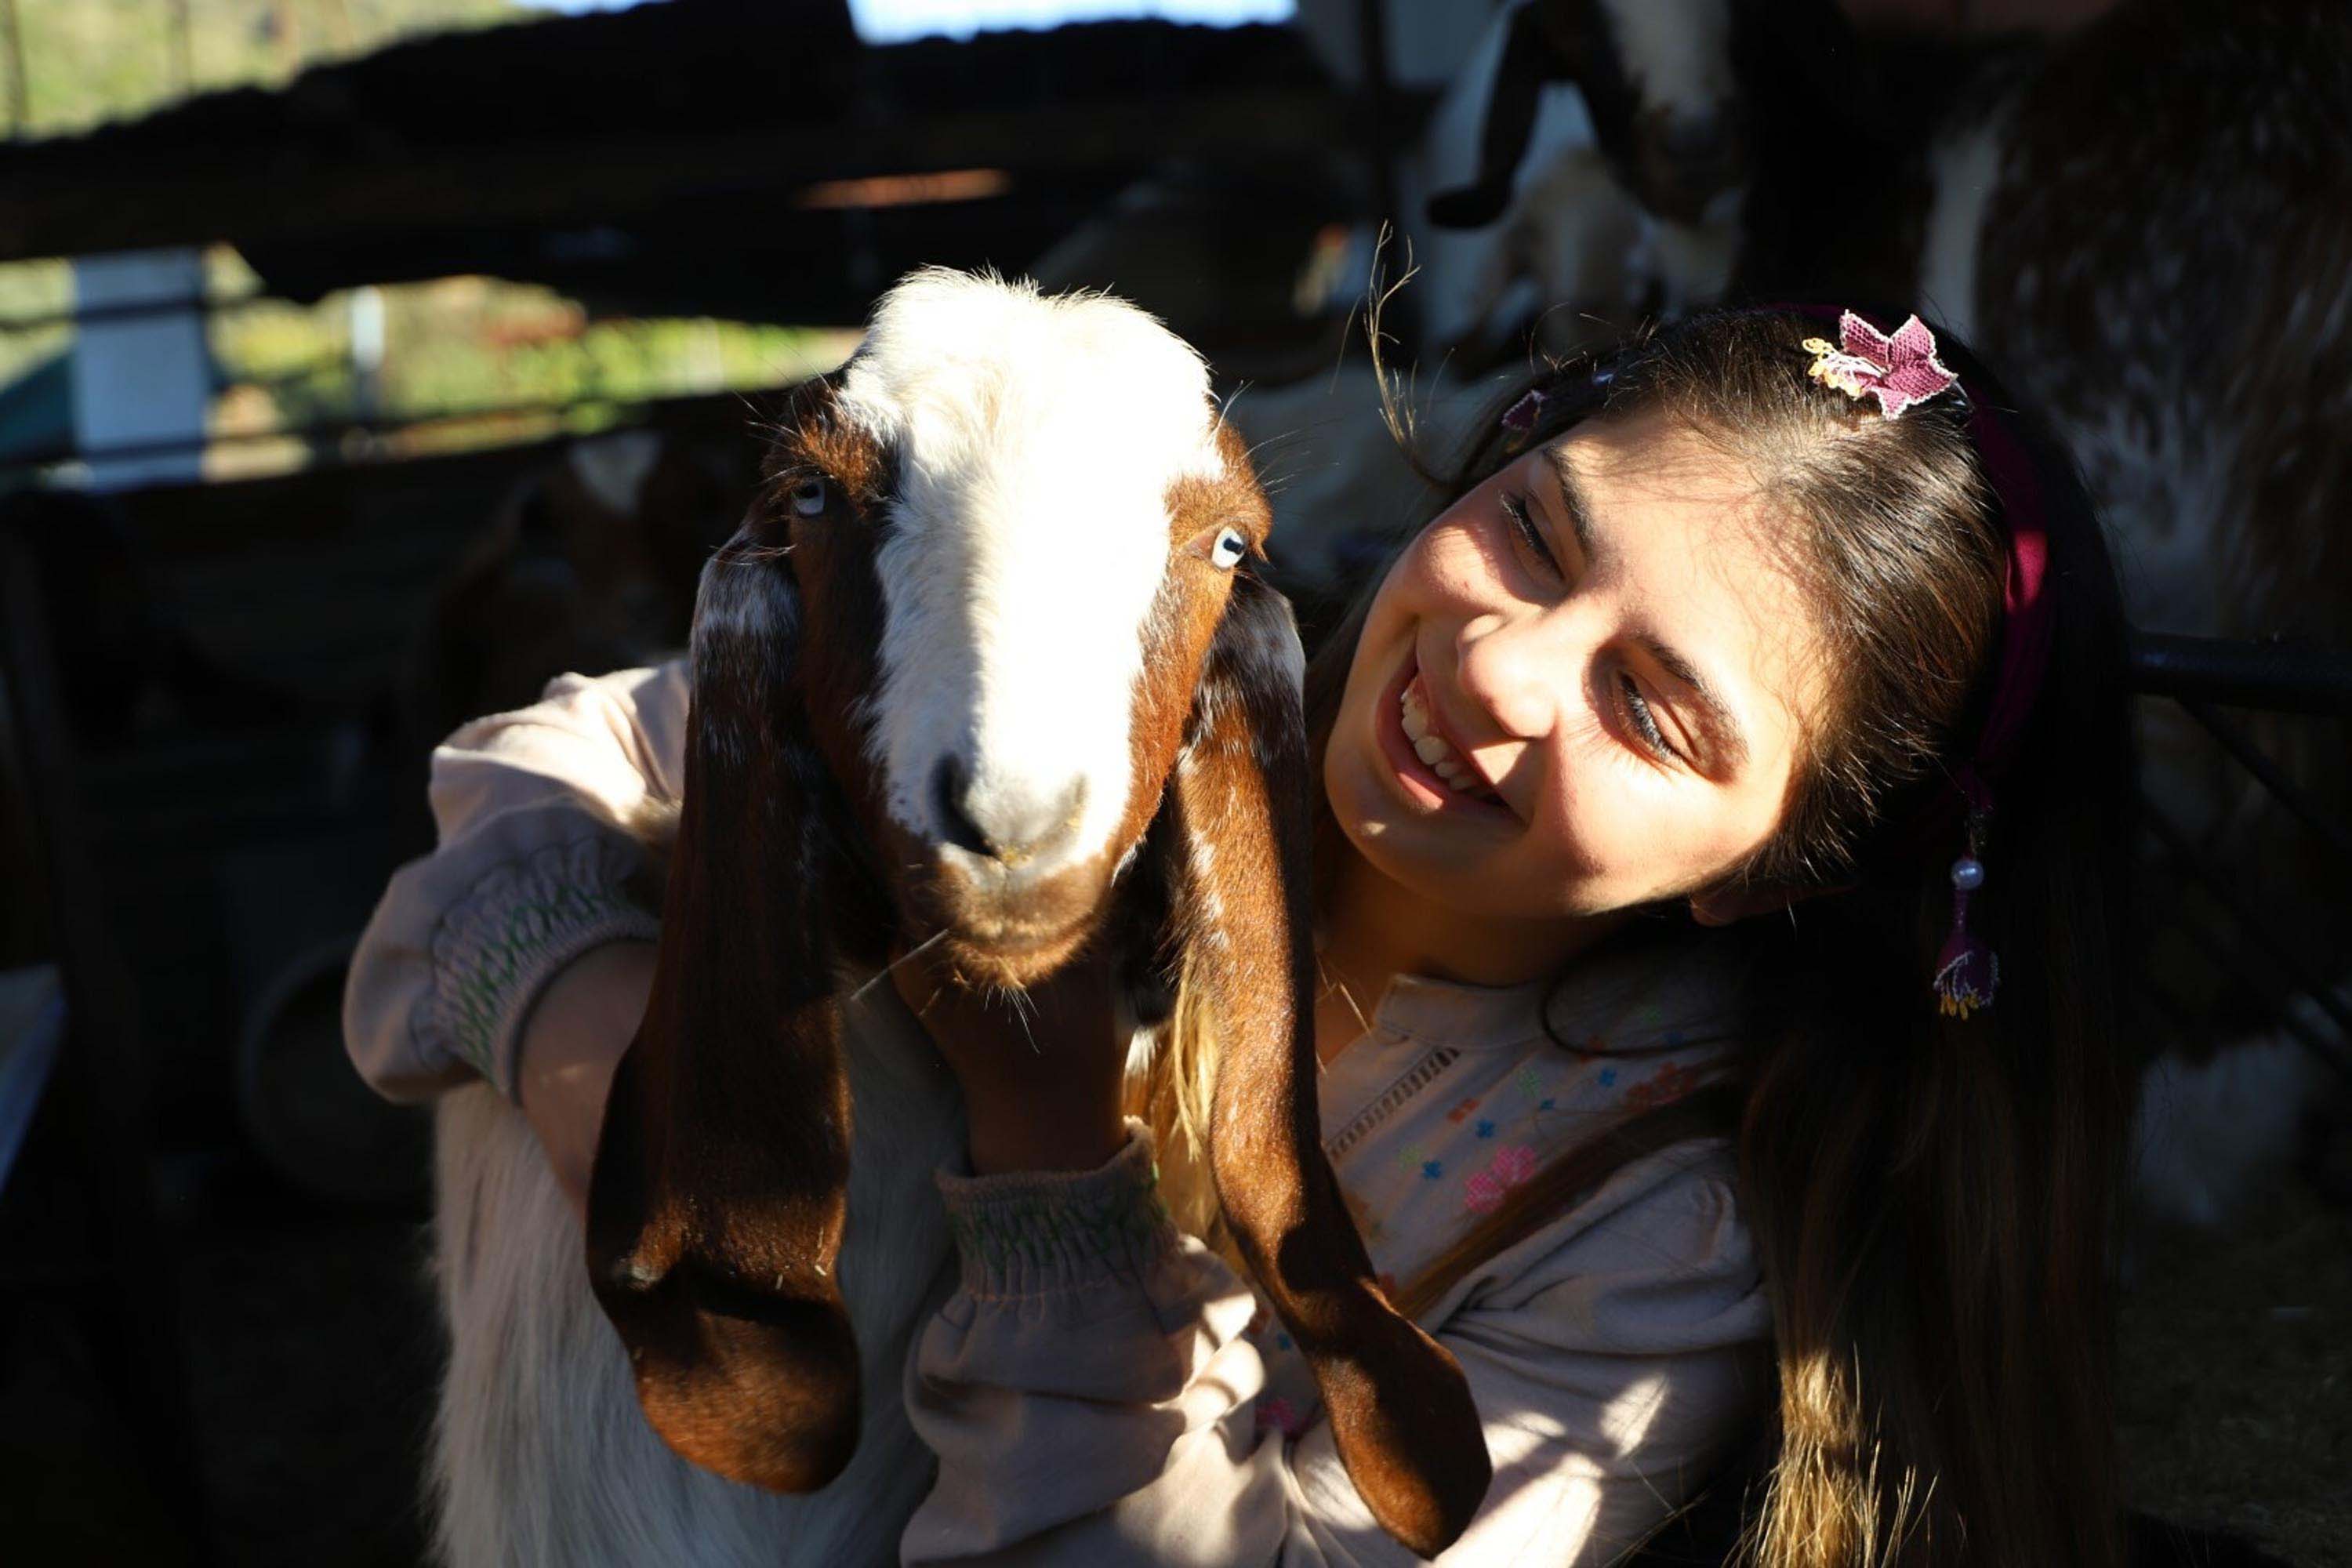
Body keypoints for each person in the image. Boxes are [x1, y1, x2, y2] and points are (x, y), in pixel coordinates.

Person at [346, 305, 2135, 1566]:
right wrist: (643, 1117)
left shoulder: (1652, 1234)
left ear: (1771, 872)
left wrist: (1050, 1141)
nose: (1499, 665)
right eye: (1530, 531)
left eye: (1653, 708)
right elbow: (548, 764)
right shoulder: (1162, 693)